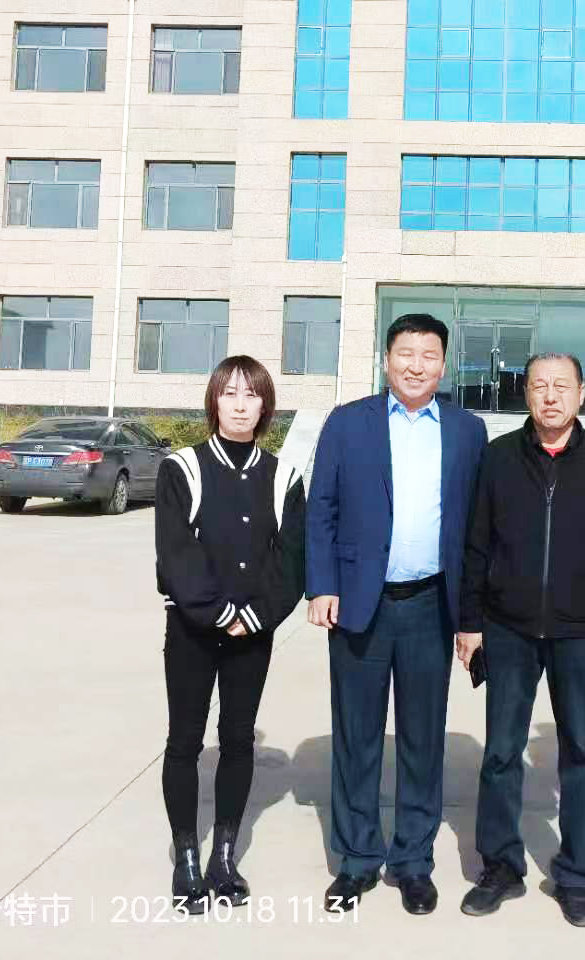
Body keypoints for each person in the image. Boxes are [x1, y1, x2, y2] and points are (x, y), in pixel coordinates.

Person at [306, 313, 488, 915]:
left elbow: (476, 528)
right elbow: (321, 509)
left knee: (422, 739)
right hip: (360, 604)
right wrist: (321, 586)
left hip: (431, 605)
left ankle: (412, 860)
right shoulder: (347, 423)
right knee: (357, 737)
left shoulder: (467, 430)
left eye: (429, 355)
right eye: (405, 353)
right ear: (386, 360)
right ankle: (358, 859)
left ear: (444, 364)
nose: (416, 365)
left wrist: (472, 617)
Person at [455, 353, 585, 928]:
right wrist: (469, 622)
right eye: (540, 385)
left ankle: (575, 876)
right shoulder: (499, 458)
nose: (551, 396)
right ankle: (500, 867)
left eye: (562, 386)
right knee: (501, 752)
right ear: (526, 394)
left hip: (582, 632)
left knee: (582, 752)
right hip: (508, 628)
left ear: (582, 394)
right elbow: (476, 545)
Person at [155, 355, 306, 912]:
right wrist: (220, 613)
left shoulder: (284, 477)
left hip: (254, 634)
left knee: (238, 740)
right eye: (230, 393)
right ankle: (186, 857)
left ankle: (224, 856)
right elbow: (176, 553)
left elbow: (290, 560)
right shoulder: (182, 468)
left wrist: (256, 616)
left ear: (266, 406)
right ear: (214, 402)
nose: (241, 405)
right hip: (192, 631)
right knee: (185, 741)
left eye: (252, 395)